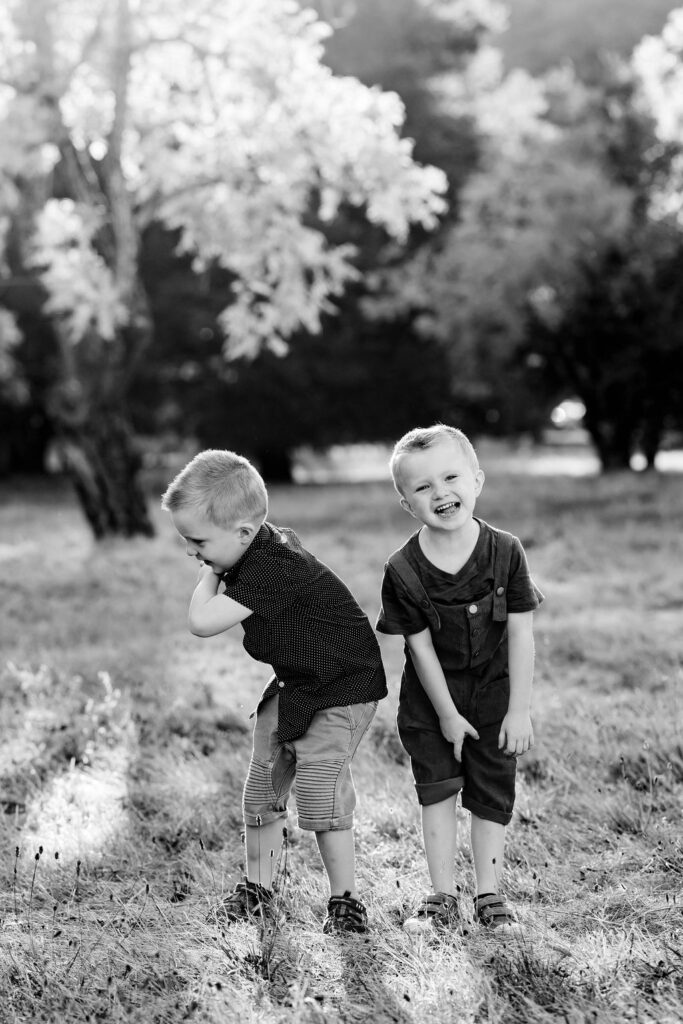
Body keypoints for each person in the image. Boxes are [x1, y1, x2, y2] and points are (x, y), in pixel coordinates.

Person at [161, 449, 387, 934]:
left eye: (198, 541)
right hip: (295, 681)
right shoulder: (251, 550)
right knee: (261, 787)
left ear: (244, 533)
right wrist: (216, 561)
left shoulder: (268, 567)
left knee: (320, 792)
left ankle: (346, 902)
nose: (193, 552)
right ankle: (258, 890)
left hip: (341, 686)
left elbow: (202, 622)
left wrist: (209, 573)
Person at [376, 424, 543, 932]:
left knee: (492, 792)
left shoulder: (506, 552)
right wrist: (447, 715)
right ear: (408, 504)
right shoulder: (403, 570)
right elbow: (418, 648)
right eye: (423, 487)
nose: (440, 492)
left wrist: (518, 709)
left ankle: (489, 896)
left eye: (451, 477)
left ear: (477, 480)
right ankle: (441, 896)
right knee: (438, 790)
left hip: (494, 693)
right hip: (431, 701)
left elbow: (521, 635)